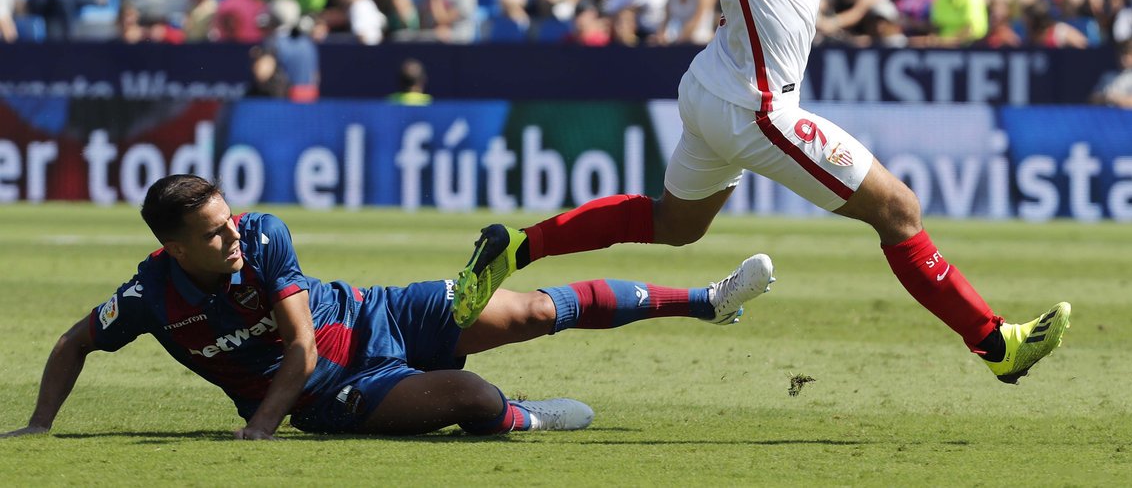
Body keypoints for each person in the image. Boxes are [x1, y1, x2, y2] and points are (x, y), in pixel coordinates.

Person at [451, 0, 1070, 385]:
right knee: (899, 211)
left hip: (711, 86)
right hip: (758, 108)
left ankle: (516, 247)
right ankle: (996, 343)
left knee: (676, 225)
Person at [0, 175, 773, 439]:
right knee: (473, 399)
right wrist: (41, 422)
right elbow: (74, 342)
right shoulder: (148, 297)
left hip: (379, 315)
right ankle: (522, 417)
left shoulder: (265, 235)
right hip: (337, 393)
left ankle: (706, 301)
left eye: (230, 218)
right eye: (214, 231)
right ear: (174, 247)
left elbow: (298, 337)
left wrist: (257, 426)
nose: (234, 233)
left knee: (539, 309)